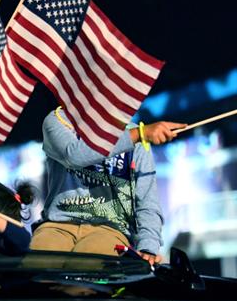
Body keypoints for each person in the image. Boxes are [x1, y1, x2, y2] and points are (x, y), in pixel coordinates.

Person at [29, 106, 186, 264]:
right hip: (57, 226)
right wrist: (139, 134)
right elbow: (74, 156)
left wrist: (148, 248)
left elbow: (147, 201)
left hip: (110, 229)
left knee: (86, 271)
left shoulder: (136, 134)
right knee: (37, 268)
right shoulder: (57, 119)